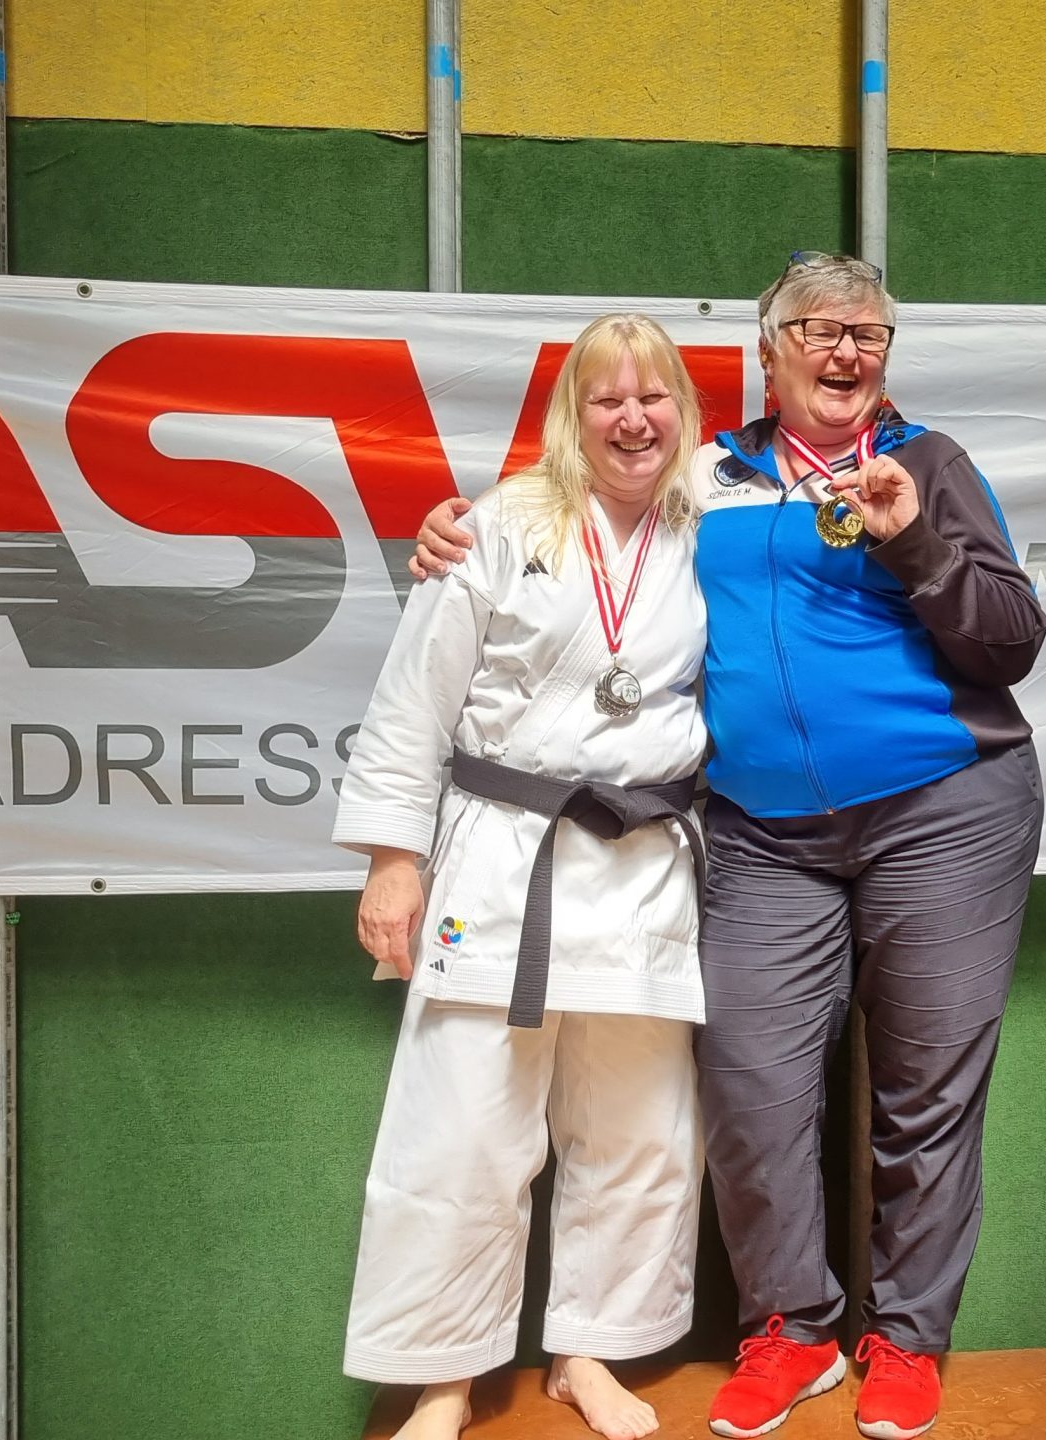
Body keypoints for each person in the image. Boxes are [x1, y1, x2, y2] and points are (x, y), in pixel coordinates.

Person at [411, 253, 1046, 1440]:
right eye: (818, 329)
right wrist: (462, 529)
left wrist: (915, 544)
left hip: (943, 812)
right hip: (763, 834)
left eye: (868, 333)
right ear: (769, 350)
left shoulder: (930, 464)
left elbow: (1011, 641)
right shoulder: (704, 475)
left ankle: (906, 1340)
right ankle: (791, 1331)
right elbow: (583, 507)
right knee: (750, 1089)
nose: (845, 350)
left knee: (924, 1094)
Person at [336, 313, 714, 1440]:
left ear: (684, 413)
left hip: (645, 867)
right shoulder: (498, 523)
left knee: (639, 1132)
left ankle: (587, 1351)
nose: (633, 419)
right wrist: (393, 863)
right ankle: (443, 1378)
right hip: (507, 858)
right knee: (460, 1127)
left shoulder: (715, 522)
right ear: (571, 416)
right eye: (607, 399)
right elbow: (414, 700)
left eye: (652, 396)